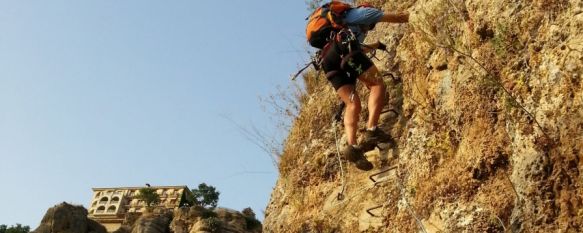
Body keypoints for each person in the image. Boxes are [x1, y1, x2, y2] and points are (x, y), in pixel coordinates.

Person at [320, 5, 409, 171]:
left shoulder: (338, 29)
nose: (370, 28)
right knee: (377, 84)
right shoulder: (366, 12)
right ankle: (372, 130)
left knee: (352, 104)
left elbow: (356, 52)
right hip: (344, 48)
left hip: (327, 60)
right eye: (371, 25)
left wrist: (376, 45)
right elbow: (397, 17)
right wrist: (414, 17)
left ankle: (352, 146)